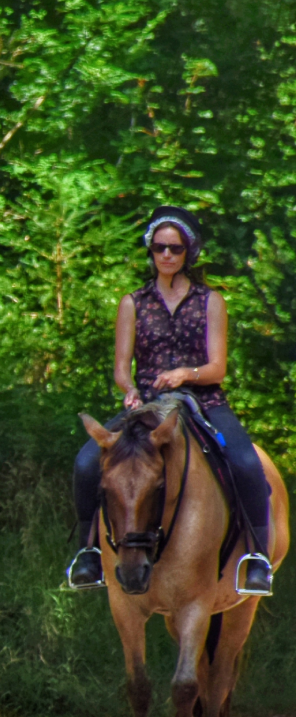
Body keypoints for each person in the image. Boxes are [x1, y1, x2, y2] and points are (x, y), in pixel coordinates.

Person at [66, 206, 275, 596]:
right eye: (159, 247)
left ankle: (257, 558)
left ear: (188, 253)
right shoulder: (132, 302)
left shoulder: (211, 301)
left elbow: (217, 368)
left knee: (247, 464)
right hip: (148, 402)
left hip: (204, 401)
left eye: (175, 248)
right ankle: (88, 554)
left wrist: (185, 374)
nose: (166, 255)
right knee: (85, 462)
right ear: (151, 250)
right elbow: (121, 369)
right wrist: (129, 389)